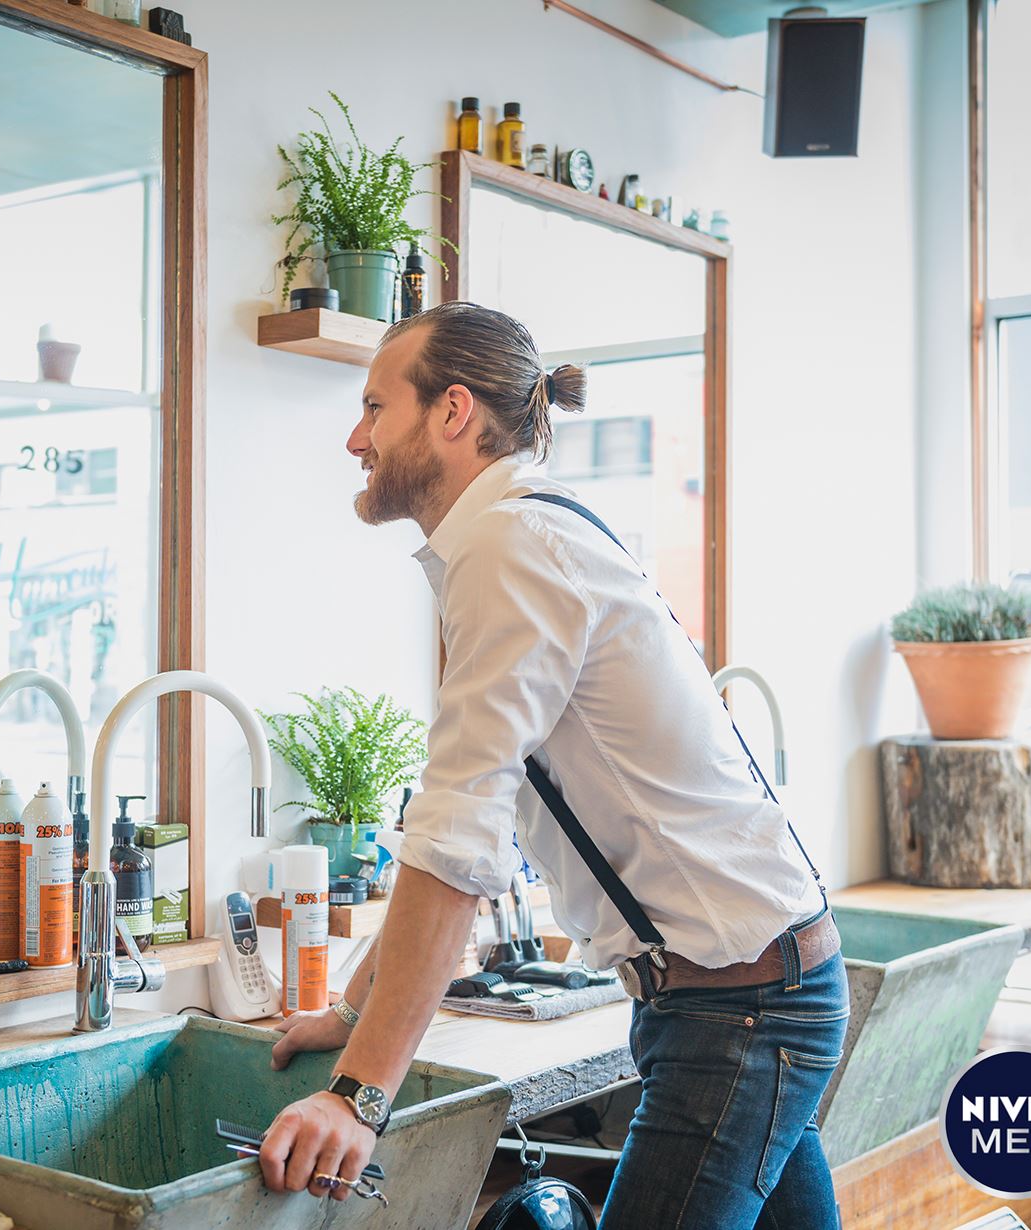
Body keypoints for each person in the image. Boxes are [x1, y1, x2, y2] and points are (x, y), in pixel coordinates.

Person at [260, 302, 847, 1228]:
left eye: (375, 407)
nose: (354, 437)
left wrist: (359, 1093)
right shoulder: (523, 536)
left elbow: (455, 842)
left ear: (453, 412)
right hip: (746, 992)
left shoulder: (509, 547)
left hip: (740, 1008)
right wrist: (354, 1008)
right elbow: (458, 826)